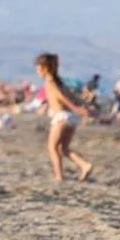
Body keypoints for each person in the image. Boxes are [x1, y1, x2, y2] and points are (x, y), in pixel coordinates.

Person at [36, 52, 94, 182]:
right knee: (64, 148)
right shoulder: (59, 82)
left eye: (38, 69)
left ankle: (59, 176)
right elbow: (70, 95)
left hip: (61, 117)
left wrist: (76, 108)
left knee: (52, 147)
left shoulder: (50, 82)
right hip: (71, 117)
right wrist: (82, 104)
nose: (38, 72)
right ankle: (84, 165)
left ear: (45, 68)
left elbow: (62, 98)